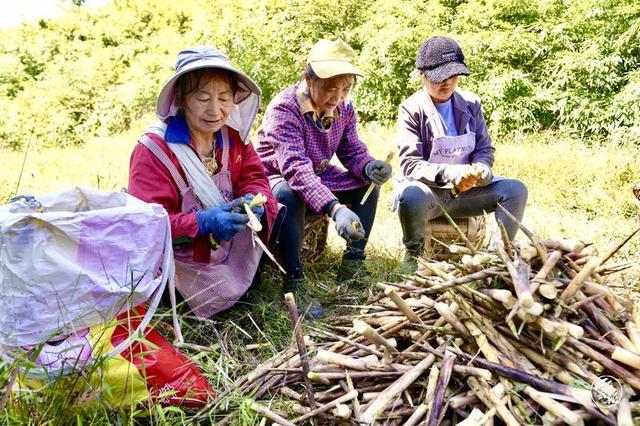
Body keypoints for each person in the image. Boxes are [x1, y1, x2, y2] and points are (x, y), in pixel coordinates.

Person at [128, 46, 279, 318]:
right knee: (180, 298)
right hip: (178, 262)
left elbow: (255, 176)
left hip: (224, 248)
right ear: (182, 99)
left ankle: (235, 289)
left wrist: (253, 199)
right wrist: (202, 222)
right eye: (203, 98)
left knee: (280, 208)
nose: (215, 110)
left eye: (224, 98)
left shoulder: (232, 139)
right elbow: (147, 224)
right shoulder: (154, 150)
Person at [256, 39, 393, 318]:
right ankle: (293, 281)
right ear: (309, 79)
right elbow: (294, 168)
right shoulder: (284, 109)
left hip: (317, 172)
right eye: (330, 88)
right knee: (289, 194)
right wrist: (334, 208)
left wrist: (369, 167)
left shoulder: (344, 108)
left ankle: (353, 263)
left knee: (367, 184)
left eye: (345, 88)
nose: (337, 97)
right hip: (275, 176)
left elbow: (352, 150)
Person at [395, 36, 528, 271]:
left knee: (515, 190)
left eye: (453, 77)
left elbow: (484, 149)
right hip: (432, 194)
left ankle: (502, 253)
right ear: (421, 74)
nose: (446, 83)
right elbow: (410, 165)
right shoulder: (411, 109)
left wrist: (482, 170)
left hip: (470, 193)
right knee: (410, 197)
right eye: (439, 78)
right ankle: (413, 254)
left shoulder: (471, 103)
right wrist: (450, 173)